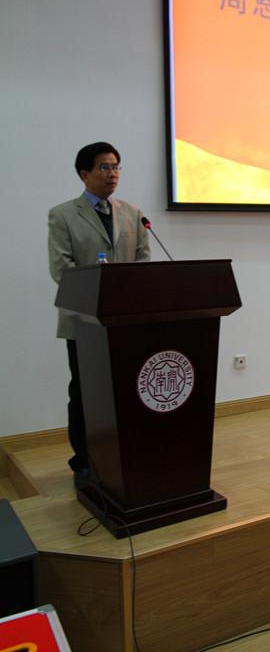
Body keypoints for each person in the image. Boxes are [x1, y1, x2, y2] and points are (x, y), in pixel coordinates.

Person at [48, 142, 150, 486]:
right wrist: (101, 293)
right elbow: (61, 269)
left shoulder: (133, 213)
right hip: (84, 323)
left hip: (125, 323)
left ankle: (124, 454)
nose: (113, 174)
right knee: (85, 393)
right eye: (104, 167)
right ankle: (84, 462)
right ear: (85, 174)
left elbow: (143, 261)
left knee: (126, 391)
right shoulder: (63, 215)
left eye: (116, 166)